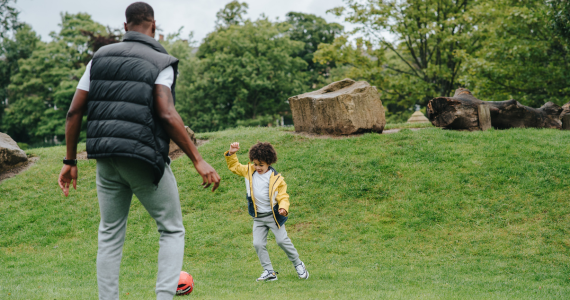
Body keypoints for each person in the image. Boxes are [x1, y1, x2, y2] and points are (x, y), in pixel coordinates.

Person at [57, 2, 220, 299]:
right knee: (171, 229)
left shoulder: (99, 58)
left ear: (125, 27)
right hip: (142, 157)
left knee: (109, 233)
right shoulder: (161, 61)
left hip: (105, 158)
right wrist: (198, 159)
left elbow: (73, 112)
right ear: (154, 26)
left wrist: (69, 160)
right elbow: (167, 113)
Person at [225, 141, 308, 281]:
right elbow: (234, 166)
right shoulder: (249, 171)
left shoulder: (277, 179)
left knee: (282, 241)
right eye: (255, 163)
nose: (257, 167)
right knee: (258, 244)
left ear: (269, 163)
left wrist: (283, 208)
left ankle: (298, 264)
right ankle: (269, 271)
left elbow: (283, 196)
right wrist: (232, 153)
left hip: (273, 217)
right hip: (258, 218)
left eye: (261, 165)